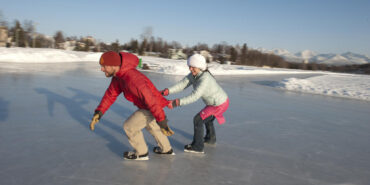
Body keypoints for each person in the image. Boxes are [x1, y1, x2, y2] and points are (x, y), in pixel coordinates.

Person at [90, 51, 175, 160]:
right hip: (148, 105)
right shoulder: (118, 76)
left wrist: (162, 121)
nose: (102, 69)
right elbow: (110, 95)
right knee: (152, 126)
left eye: (104, 66)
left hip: (152, 105)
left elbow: (152, 101)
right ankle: (166, 149)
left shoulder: (133, 79)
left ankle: (141, 153)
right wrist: (99, 112)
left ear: (113, 65)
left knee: (130, 126)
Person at [162, 54, 229, 154]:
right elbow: (182, 84)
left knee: (198, 119)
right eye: (189, 66)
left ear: (200, 66)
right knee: (208, 119)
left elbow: (194, 96)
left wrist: (176, 103)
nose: (190, 68)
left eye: (193, 66)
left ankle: (198, 147)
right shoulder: (194, 75)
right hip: (216, 102)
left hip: (219, 104)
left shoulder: (205, 78)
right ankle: (210, 138)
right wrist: (168, 91)